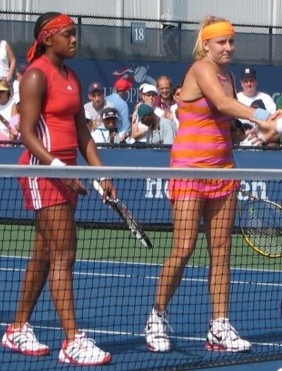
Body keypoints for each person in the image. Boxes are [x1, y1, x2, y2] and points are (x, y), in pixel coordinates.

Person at [1, 12, 116, 366]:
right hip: (42, 171)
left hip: (65, 171)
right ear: (48, 38)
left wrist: (102, 174)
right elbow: (28, 134)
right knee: (65, 254)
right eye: (68, 34)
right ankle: (72, 340)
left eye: (75, 34)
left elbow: (82, 134)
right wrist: (57, 168)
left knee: (45, 255)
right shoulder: (36, 75)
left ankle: (16, 327)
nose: (74, 40)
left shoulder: (73, 77)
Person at [144, 15, 264, 354]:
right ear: (206, 44)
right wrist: (261, 116)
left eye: (231, 41)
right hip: (188, 171)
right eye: (221, 42)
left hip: (223, 171)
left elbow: (226, 121)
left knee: (222, 252)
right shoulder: (200, 69)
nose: (228, 47)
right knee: (184, 249)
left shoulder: (227, 78)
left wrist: (261, 129)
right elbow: (224, 105)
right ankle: (157, 316)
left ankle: (219, 326)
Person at [237, 66, 278, 146]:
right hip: (241, 137)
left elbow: (274, 122)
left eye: (251, 81)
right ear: (241, 83)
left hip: (263, 137)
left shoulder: (266, 98)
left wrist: (260, 134)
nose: (249, 84)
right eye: (245, 81)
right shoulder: (236, 98)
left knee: (274, 144)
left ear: (256, 82)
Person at [0, 79, 17, 143]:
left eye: (2, 91)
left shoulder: (14, 104)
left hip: (8, 143)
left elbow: (14, 131)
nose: (0, 94)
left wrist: (2, 119)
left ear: (7, 91)